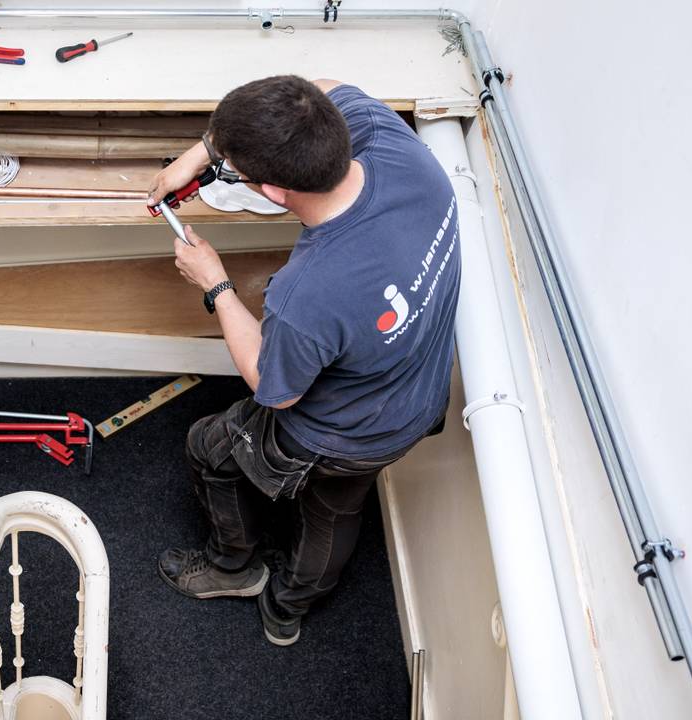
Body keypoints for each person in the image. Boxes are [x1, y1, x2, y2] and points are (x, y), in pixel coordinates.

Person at [148, 75, 461, 646]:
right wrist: (200, 154)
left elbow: (275, 387)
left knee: (209, 448)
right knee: (336, 510)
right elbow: (322, 84)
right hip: (414, 400)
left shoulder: (306, 295)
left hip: (338, 431)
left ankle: (232, 569)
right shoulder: (403, 152)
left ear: (270, 191)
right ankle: (286, 613)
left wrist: (215, 284)